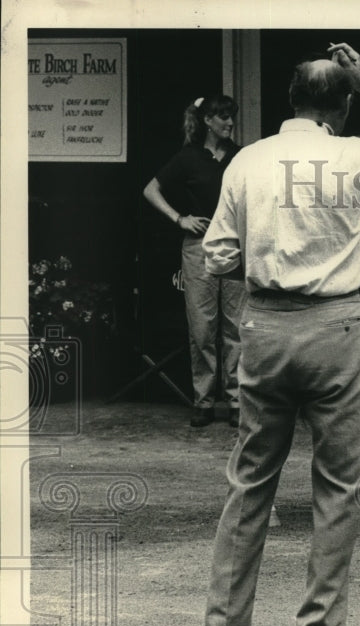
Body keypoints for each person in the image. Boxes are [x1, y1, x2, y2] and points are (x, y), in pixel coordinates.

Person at [194, 43, 360, 626]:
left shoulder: (247, 160)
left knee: (250, 481)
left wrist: (270, 262)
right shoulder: (351, 153)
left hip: (265, 326)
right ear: (341, 108)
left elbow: (216, 256)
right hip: (335, 326)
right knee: (339, 484)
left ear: (291, 102)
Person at [143, 94, 246, 428]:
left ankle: (235, 400)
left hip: (233, 245)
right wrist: (179, 219)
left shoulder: (241, 157)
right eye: (223, 117)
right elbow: (151, 190)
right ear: (207, 121)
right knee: (202, 326)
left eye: (232, 117)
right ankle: (202, 400)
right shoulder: (188, 158)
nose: (230, 123)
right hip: (198, 246)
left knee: (235, 326)